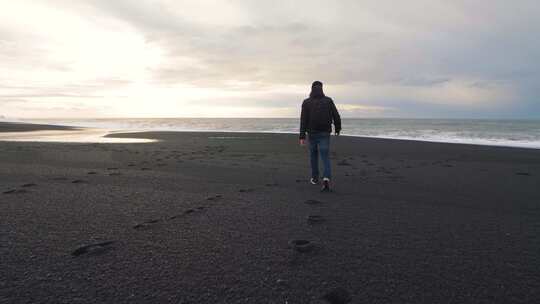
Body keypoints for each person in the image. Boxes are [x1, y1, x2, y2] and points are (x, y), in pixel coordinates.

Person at [299, 81, 341, 192]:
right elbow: (336, 116)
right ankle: (326, 178)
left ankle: (314, 178)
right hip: (325, 133)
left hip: (312, 133)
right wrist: (337, 129)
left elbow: (303, 120)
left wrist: (302, 136)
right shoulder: (328, 101)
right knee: (325, 156)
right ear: (322, 89)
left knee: (313, 155)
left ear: (311, 89)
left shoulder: (306, 102)